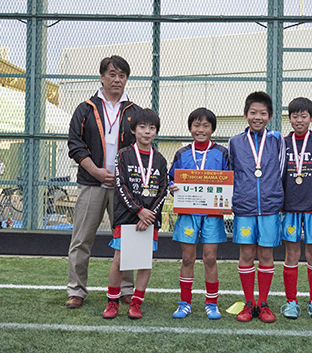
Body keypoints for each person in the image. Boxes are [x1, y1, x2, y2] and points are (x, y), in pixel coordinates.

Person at [66, 55, 141, 309]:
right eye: (112, 74)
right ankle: (76, 290)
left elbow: (142, 147)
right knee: (81, 239)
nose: (117, 79)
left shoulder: (135, 112)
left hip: (124, 188)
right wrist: (96, 171)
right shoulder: (85, 109)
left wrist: (125, 178)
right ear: (101, 77)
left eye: (122, 75)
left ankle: (126, 289)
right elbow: (75, 144)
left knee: (127, 240)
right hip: (91, 183)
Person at [102, 108, 168, 320]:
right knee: (119, 259)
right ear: (133, 130)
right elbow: (121, 186)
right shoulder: (124, 155)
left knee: (144, 261)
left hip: (150, 219)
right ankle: (112, 301)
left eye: (152, 128)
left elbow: (163, 190)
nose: (147, 132)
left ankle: (136, 303)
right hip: (128, 216)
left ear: (156, 131)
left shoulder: (160, 160)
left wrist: (149, 215)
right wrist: (139, 211)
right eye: (142, 127)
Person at [228, 91, 285, 323]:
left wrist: (274, 195)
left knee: (266, 254)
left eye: (263, 113)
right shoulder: (234, 142)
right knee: (246, 254)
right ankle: (249, 302)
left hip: (270, 207)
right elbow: (231, 172)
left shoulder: (277, 139)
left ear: (270, 116)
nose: (257, 117)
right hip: (244, 207)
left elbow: (281, 170)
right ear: (245, 115)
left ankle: (263, 303)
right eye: (253, 112)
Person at [168, 108, 230, 320]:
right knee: (187, 258)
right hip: (188, 212)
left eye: (205, 126)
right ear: (190, 128)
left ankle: (211, 303)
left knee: (210, 257)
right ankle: (185, 302)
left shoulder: (222, 153)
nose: (201, 130)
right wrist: (172, 187)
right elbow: (171, 178)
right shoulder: (182, 153)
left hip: (212, 214)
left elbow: (229, 180)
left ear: (212, 129)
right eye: (196, 125)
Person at [280, 97, 312, 320]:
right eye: (295, 116)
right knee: (291, 254)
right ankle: (291, 301)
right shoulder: (283, 143)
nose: (299, 120)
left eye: (303, 116)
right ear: (289, 118)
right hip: (290, 207)